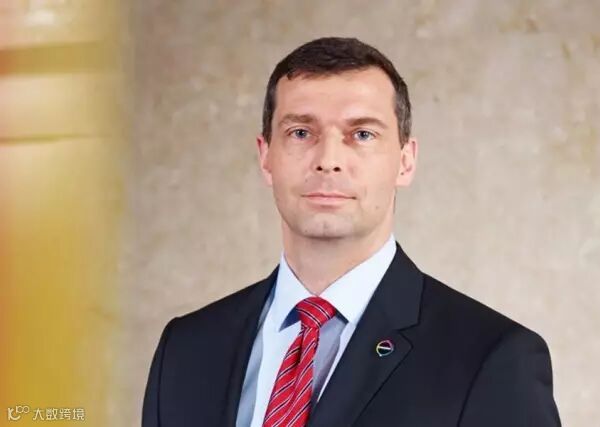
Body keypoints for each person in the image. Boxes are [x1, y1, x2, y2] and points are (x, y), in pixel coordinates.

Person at [142, 37, 561, 427]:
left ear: (405, 161)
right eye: (301, 133)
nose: (328, 160)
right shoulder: (186, 349)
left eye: (361, 134)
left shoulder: (491, 359)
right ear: (266, 157)